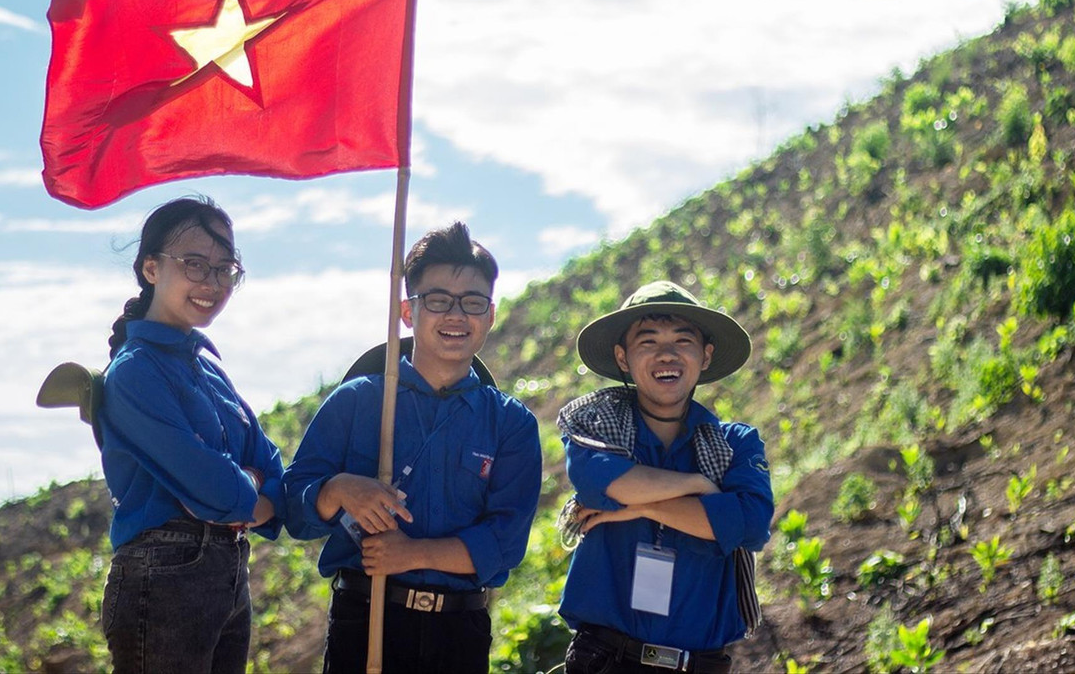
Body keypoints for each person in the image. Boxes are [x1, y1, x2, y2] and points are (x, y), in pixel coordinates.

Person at [283, 221, 542, 674]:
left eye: (473, 302)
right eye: (438, 300)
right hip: (364, 619)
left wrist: (412, 554)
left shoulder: (511, 424)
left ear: (490, 315)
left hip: (460, 632)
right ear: (408, 311)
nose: (456, 315)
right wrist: (339, 489)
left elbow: (505, 544)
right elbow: (292, 507)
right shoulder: (357, 401)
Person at [96, 196, 286, 674]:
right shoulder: (135, 372)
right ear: (151, 268)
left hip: (229, 572)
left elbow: (270, 463)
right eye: (195, 264)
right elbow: (212, 488)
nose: (212, 283)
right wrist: (251, 494)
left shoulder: (210, 368)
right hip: (163, 578)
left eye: (225, 269)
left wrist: (248, 491)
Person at [557, 281, 773, 674]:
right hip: (603, 660)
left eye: (683, 340)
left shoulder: (735, 444)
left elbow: (750, 524)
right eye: (648, 341)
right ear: (622, 357)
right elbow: (601, 483)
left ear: (706, 355)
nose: (667, 354)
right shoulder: (594, 427)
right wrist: (698, 487)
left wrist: (640, 508)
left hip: (699, 665)